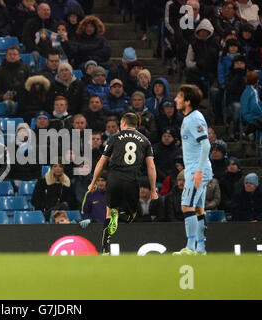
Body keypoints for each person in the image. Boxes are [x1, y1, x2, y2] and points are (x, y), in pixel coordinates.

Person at [88, 112, 158, 254]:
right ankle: (122, 216)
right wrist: (153, 190)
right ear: (136, 125)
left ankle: (105, 250)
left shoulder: (114, 138)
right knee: (132, 214)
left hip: (114, 179)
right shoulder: (145, 141)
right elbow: (151, 167)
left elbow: (101, 163)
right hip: (132, 180)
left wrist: (93, 181)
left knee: (109, 212)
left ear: (123, 123)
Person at [173, 84, 212, 256]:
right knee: (198, 209)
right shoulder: (190, 118)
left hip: (197, 169)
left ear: (187, 101)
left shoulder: (194, 118)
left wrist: (198, 171)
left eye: (179, 97)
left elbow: (206, 145)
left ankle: (190, 248)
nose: (176, 99)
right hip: (196, 168)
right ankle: (201, 249)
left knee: (186, 207)